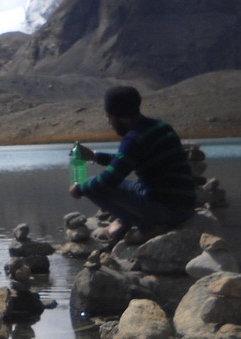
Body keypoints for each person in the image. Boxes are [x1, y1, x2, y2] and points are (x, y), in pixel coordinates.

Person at [69, 85, 196, 242]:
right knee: (123, 185)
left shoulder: (134, 138)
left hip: (167, 211)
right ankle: (126, 223)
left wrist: (79, 189)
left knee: (92, 185)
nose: (109, 122)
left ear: (120, 116)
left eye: (109, 117)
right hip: (187, 207)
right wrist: (95, 157)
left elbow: (109, 180)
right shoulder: (161, 127)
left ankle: (147, 227)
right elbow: (127, 160)